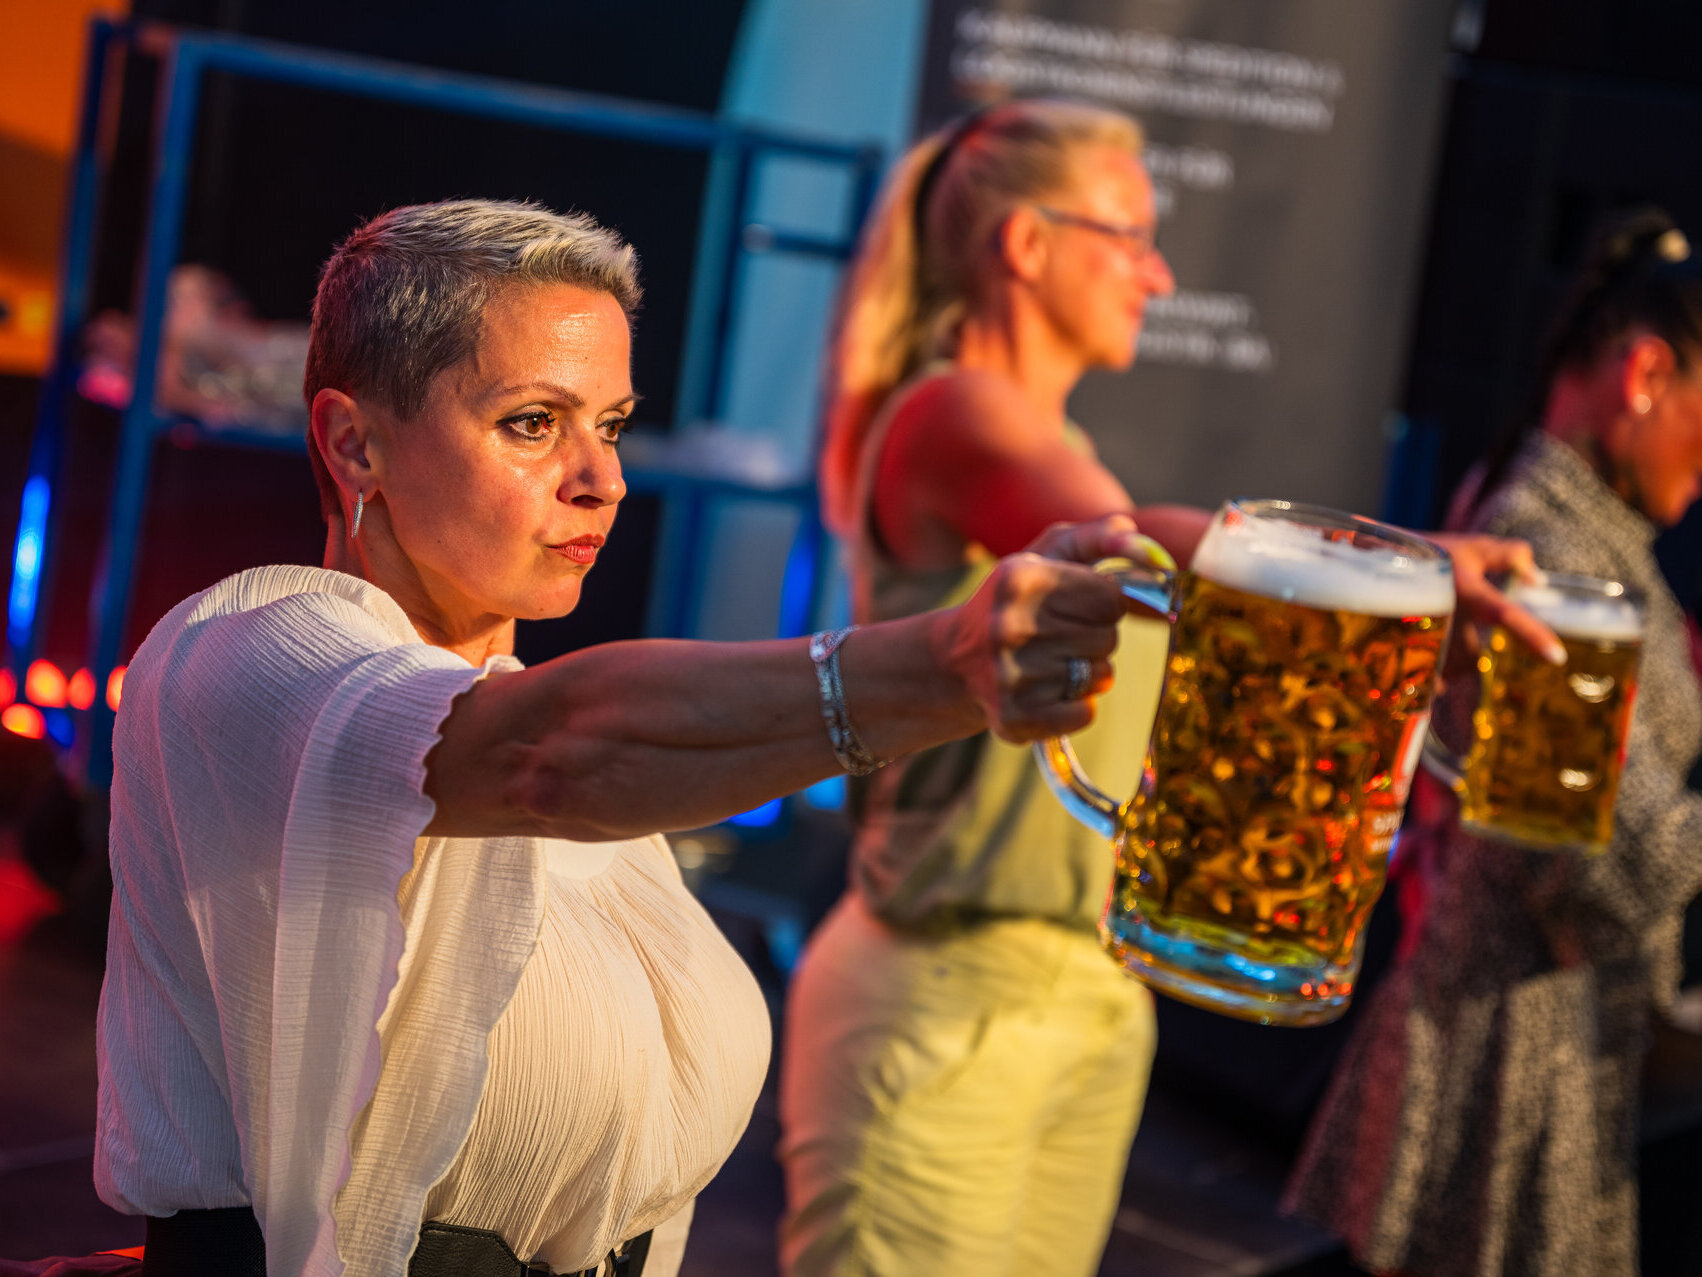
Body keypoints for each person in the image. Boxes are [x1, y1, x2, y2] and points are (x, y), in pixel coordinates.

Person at [90, 199, 1151, 1277]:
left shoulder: (591, 785)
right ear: (354, 441)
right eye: (532, 422)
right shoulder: (246, 655)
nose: (603, 479)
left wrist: (955, 682)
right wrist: (941, 664)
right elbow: (549, 756)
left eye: (612, 422)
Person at [777, 98, 1556, 1277]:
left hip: (1084, 991)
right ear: (1027, 246)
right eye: (1129, 234)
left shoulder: (1028, 428)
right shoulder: (952, 410)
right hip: (948, 995)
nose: (1159, 272)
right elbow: (1138, 540)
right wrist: (1405, 569)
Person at [1285, 208, 1702, 1276]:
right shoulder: (1550, 560)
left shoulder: (1568, 532)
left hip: (1540, 1045)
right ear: (1645, 371)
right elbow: (1603, 873)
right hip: (1513, 1067)